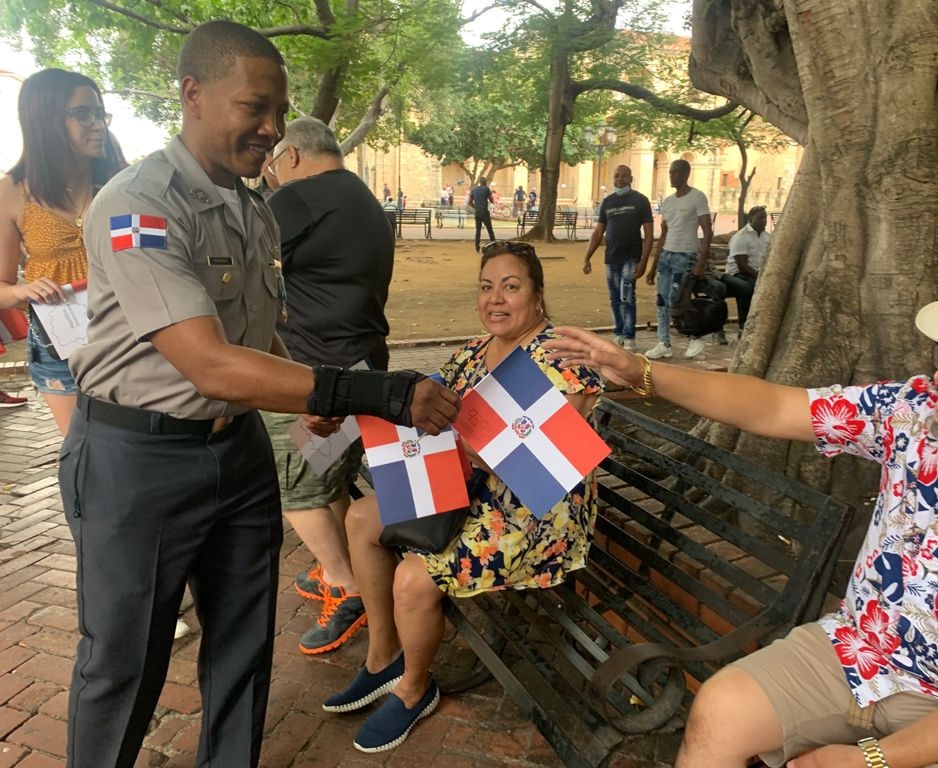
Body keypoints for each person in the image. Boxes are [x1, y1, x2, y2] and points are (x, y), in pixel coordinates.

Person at [60, 21, 458, 768]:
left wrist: (303, 391)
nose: (272, 128)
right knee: (124, 661)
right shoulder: (138, 206)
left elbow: (250, 331)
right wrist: (371, 391)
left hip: (237, 454)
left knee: (244, 645)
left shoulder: (249, 208)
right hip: (139, 460)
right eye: (255, 107)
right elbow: (208, 363)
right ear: (193, 94)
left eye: (279, 111)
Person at [545, 270, 938, 768]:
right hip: (855, 652)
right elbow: (774, 407)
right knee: (721, 710)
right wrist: (641, 371)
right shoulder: (913, 412)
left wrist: (870, 759)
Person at [323, 240, 603, 753]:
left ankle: (414, 690)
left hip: (534, 517)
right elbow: (426, 402)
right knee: (361, 517)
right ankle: (383, 658)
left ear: (537, 294)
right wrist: (355, 407)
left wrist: (470, 442)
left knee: (413, 576)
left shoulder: (562, 357)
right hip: (468, 490)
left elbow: (551, 460)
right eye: (486, 286)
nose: (496, 298)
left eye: (511, 286)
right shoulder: (475, 351)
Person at [263, 115, 396, 655]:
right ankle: (342, 567)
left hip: (315, 375)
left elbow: (248, 263)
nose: (269, 175)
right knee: (329, 477)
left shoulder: (296, 199)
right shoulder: (362, 198)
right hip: (362, 364)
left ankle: (347, 586)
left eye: (272, 163)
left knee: (292, 485)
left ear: (291, 155)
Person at [0, 68, 121, 435]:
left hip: (125, 333)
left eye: (99, 113)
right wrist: (23, 291)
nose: (97, 124)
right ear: (45, 120)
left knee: (135, 445)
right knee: (82, 448)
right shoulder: (12, 192)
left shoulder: (120, 183)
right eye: (82, 114)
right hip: (59, 340)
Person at [644, 158, 714, 360]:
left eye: (675, 172)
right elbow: (664, 234)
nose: (671, 176)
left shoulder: (697, 197)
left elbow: (707, 231)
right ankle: (663, 343)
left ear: (686, 174)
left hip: (686, 255)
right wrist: (653, 266)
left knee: (678, 300)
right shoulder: (668, 202)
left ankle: (695, 337)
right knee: (662, 300)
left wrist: (701, 262)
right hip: (667, 255)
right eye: (670, 172)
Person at [582, 165, 653, 352]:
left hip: (631, 257)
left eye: (624, 176)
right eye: (616, 176)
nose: (620, 179)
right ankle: (619, 333)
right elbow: (598, 232)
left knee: (627, 297)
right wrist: (587, 257)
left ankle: (629, 337)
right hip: (611, 258)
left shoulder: (640, 201)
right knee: (615, 299)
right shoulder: (608, 202)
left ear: (631, 179)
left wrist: (643, 261)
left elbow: (649, 234)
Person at [722, 205, 769, 335]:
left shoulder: (767, 237)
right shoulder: (741, 237)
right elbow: (742, 266)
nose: (764, 220)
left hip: (757, 273)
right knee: (749, 287)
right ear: (750, 219)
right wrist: (759, 277)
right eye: (760, 218)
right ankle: (744, 325)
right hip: (738, 274)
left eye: (765, 217)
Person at [469, 176, 496, 252]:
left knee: (478, 230)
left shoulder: (474, 190)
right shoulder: (486, 189)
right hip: (484, 211)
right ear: (485, 183)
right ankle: (494, 245)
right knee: (490, 229)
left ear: (480, 183)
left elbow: (469, 202)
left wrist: (476, 207)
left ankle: (477, 246)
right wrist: (491, 198)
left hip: (477, 212)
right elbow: (491, 200)